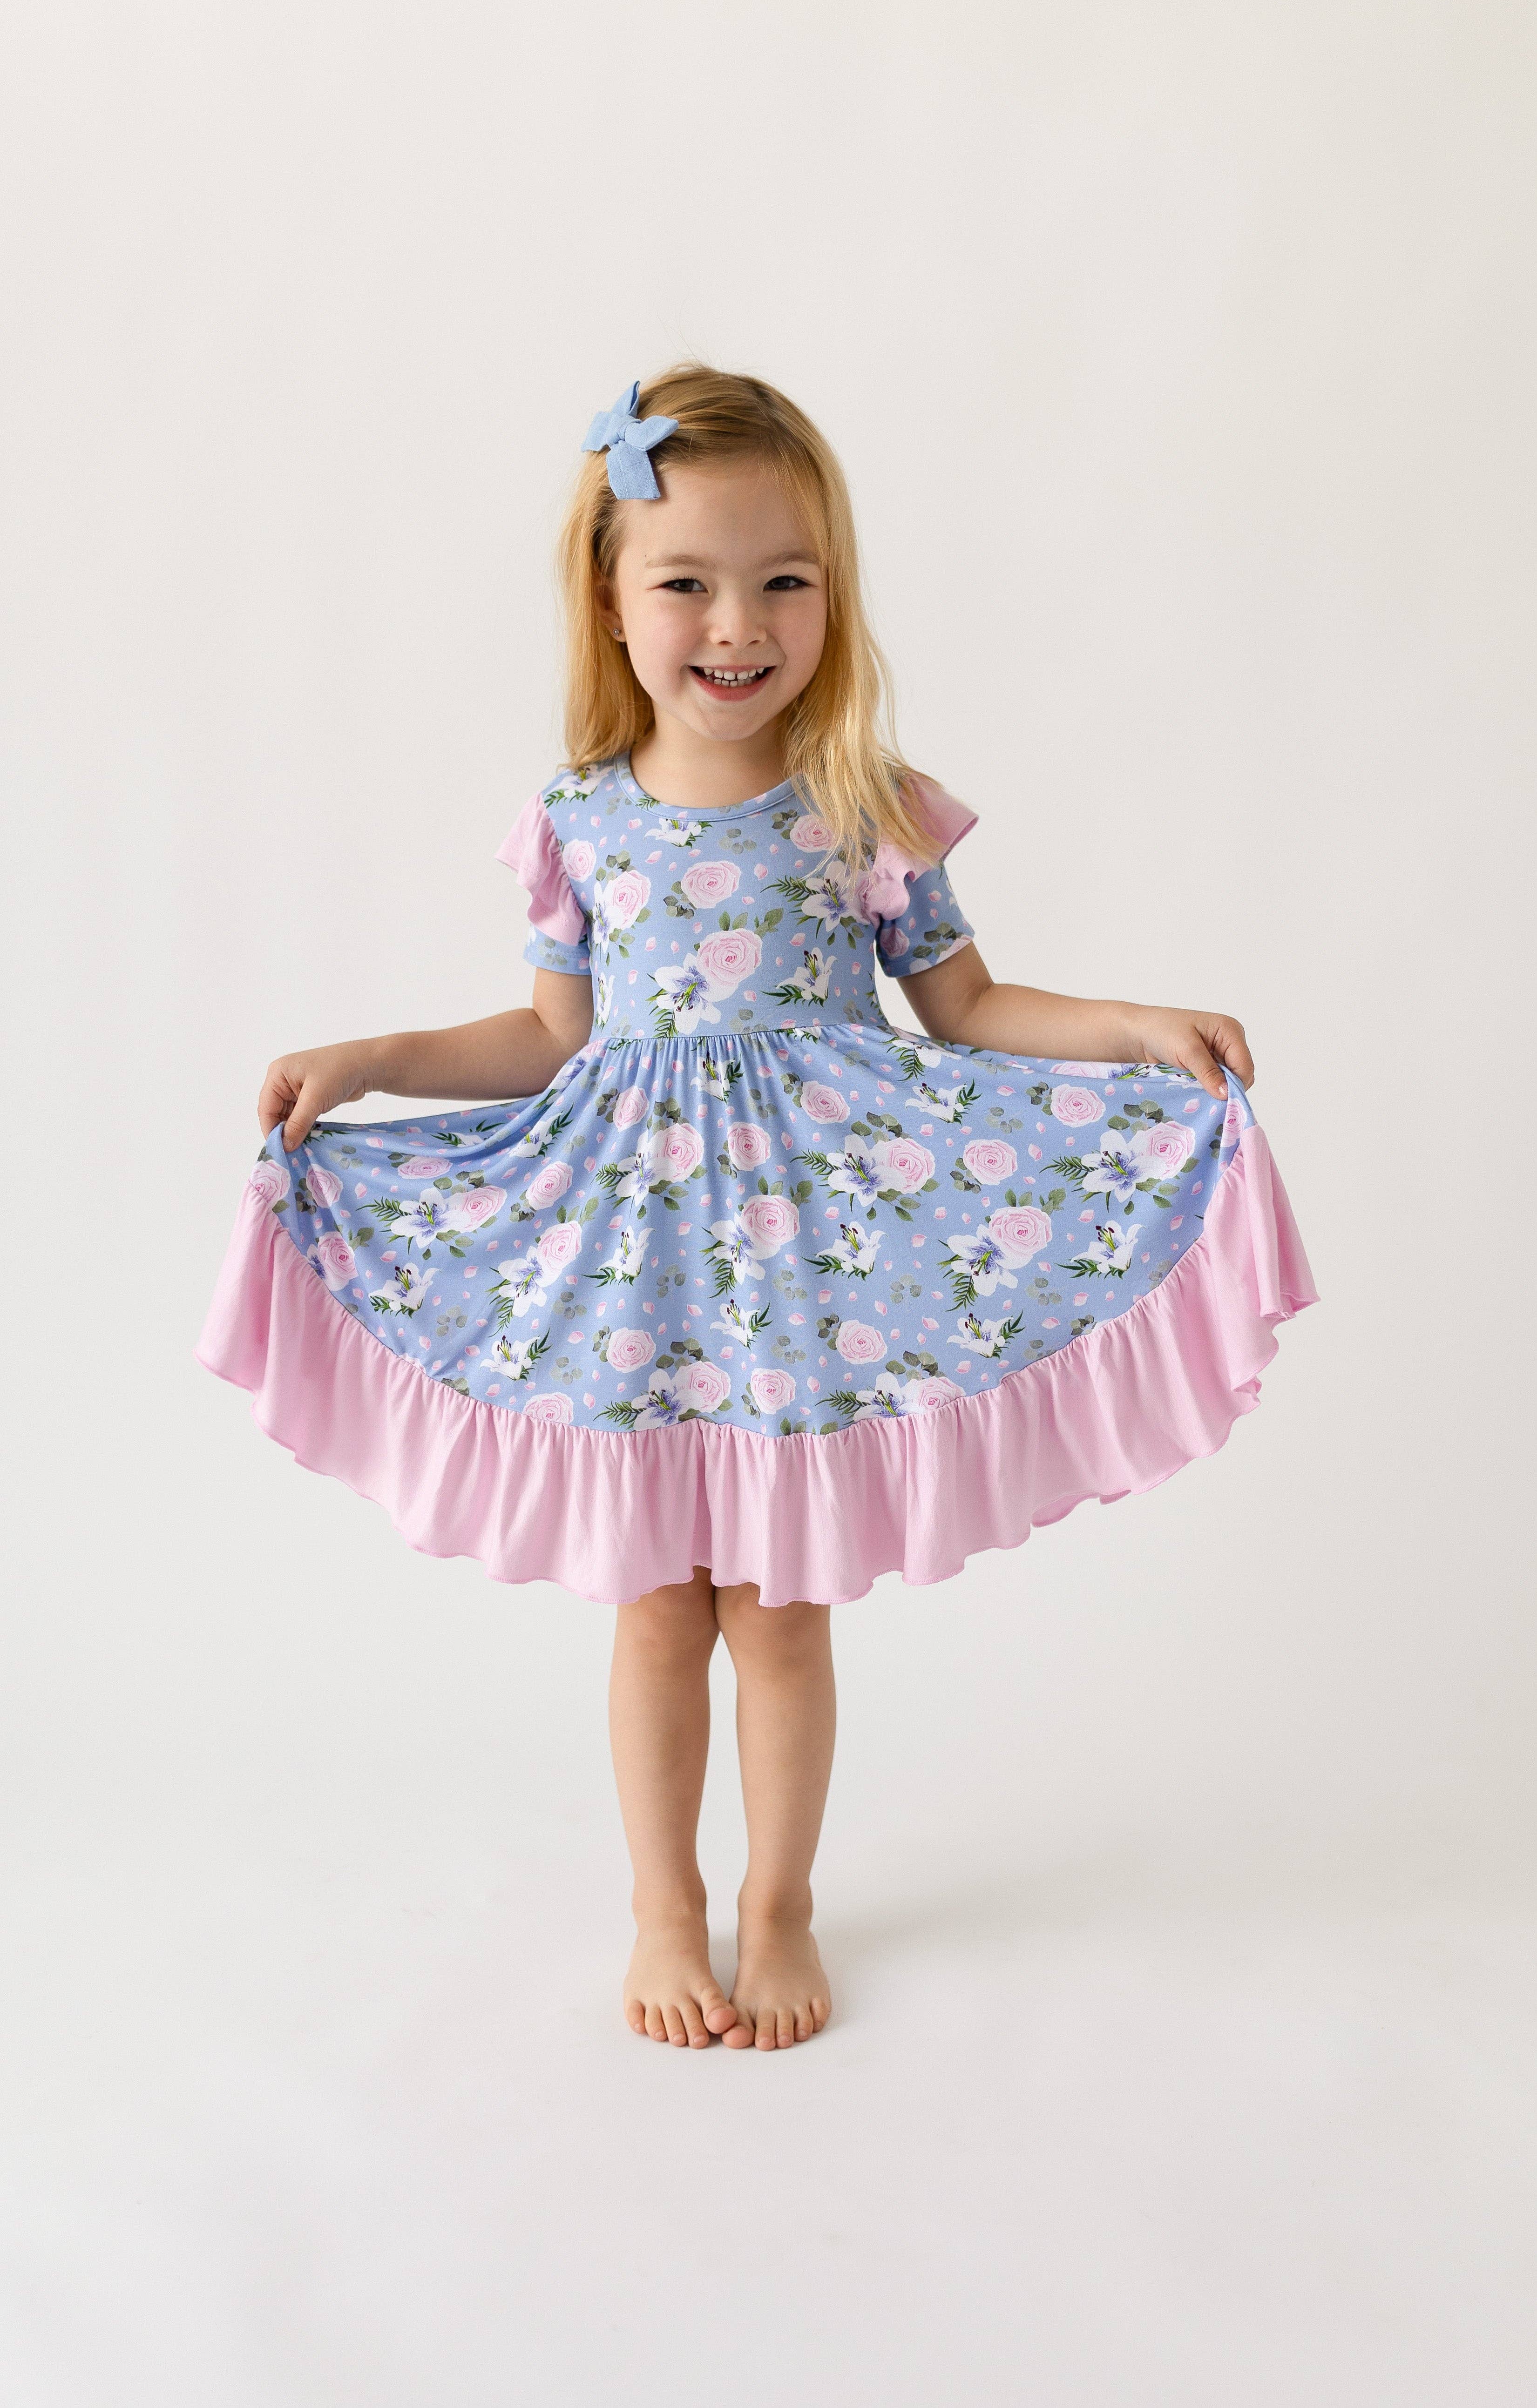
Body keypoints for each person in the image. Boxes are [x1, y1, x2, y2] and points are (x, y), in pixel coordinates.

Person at [198, 365, 1316, 2052]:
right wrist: (371, 1062)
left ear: (833, 594)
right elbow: (552, 1038)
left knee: (780, 1608)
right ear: (611, 598)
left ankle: (780, 1903)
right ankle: (666, 1906)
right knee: (658, 1603)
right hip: (637, 1262)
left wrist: (1134, 1026)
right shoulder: (582, 817)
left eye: (785, 580)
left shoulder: (861, 800)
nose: (739, 625)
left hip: (812, 1261)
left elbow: (967, 1007)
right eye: (689, 583)